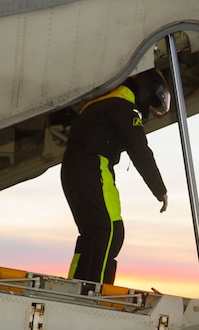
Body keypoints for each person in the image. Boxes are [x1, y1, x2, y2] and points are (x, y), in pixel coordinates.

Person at [60, 70, 170, 285]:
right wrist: (160, 190)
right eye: (151, 104)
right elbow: (139, 150)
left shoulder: (101, 103)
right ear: (148, 92)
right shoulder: (123, 108)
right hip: (92, 165)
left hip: (73, 169)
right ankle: (95, 292)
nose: (148, 110)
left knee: (92, 233)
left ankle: (75, 286)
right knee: (109, 230)